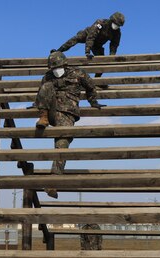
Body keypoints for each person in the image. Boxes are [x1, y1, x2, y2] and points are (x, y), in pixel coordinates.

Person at [35, 50, 106, 198]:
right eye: (53, 68)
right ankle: (43, 118)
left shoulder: (78, 74)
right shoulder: (47, 77)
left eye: (57, 67)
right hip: (51, 111)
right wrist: (39, 107)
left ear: (64, 65)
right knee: (46, 86)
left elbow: (91, 87)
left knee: (62, 145)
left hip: (67, 113)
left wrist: (93, 102)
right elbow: (41, 93)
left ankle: (53, 182)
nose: (55, 71)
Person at [53, 12, 125, 86]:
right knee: (75, 39)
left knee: (103, 62)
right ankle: (58, 51)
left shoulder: (117, 32)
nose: (116, 26)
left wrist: (111, 56)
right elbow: (91, 37)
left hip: (97, 45)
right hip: (86, 35)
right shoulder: (100, 23)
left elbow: (114, 44)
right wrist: (87, 51)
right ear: (111, 20)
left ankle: (97, 81)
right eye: (116, 24)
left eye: (119, 25)